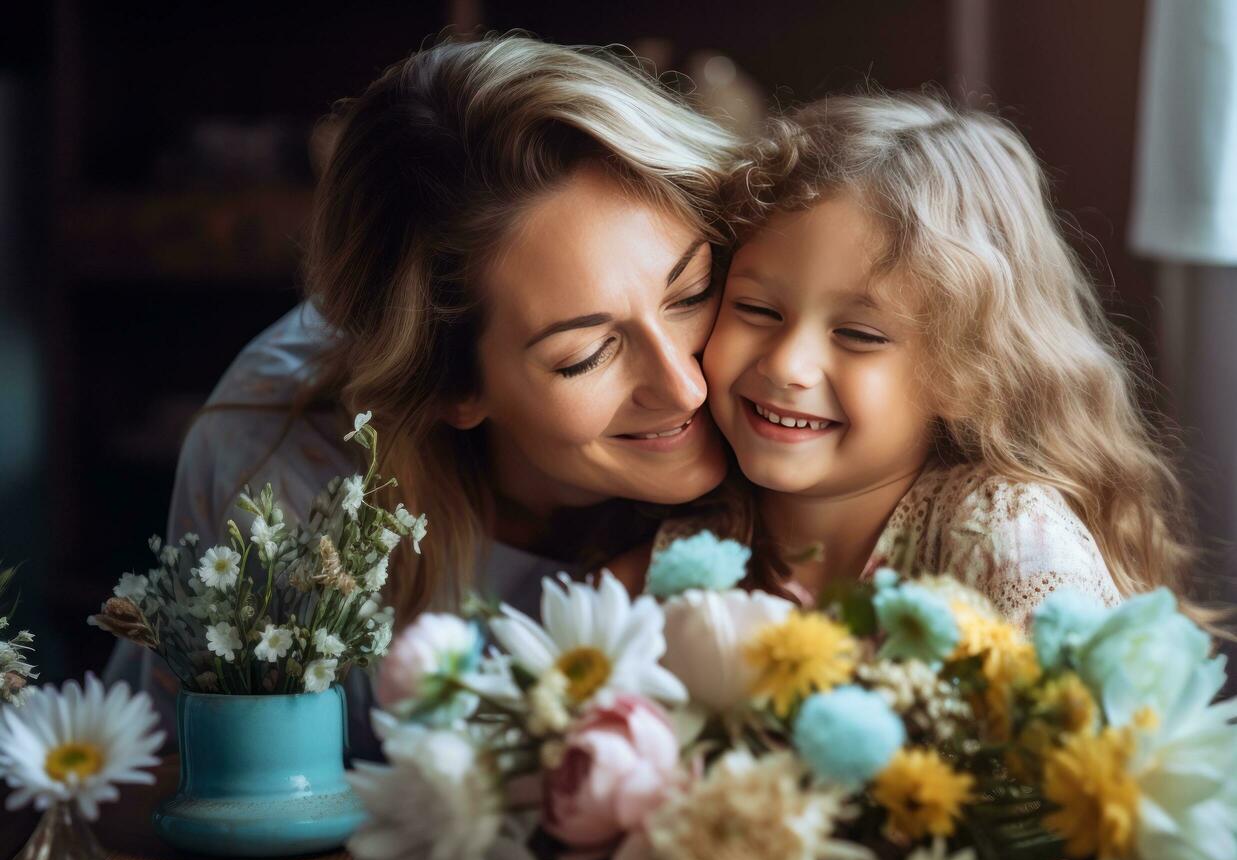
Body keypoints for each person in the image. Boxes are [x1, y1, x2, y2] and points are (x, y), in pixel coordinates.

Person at [104, 35, 744, 754]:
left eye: (690, 291)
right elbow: (169, 791)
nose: (683, 385)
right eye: (585, 355)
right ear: (453, 387)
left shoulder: (797, 350)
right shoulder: (281, 470)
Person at [679, 90, 1205, 628]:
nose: (787, 364)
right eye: (757, 309)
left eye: (859, 334)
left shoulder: (1009, 537)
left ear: (969, 374)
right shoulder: (686, 530)